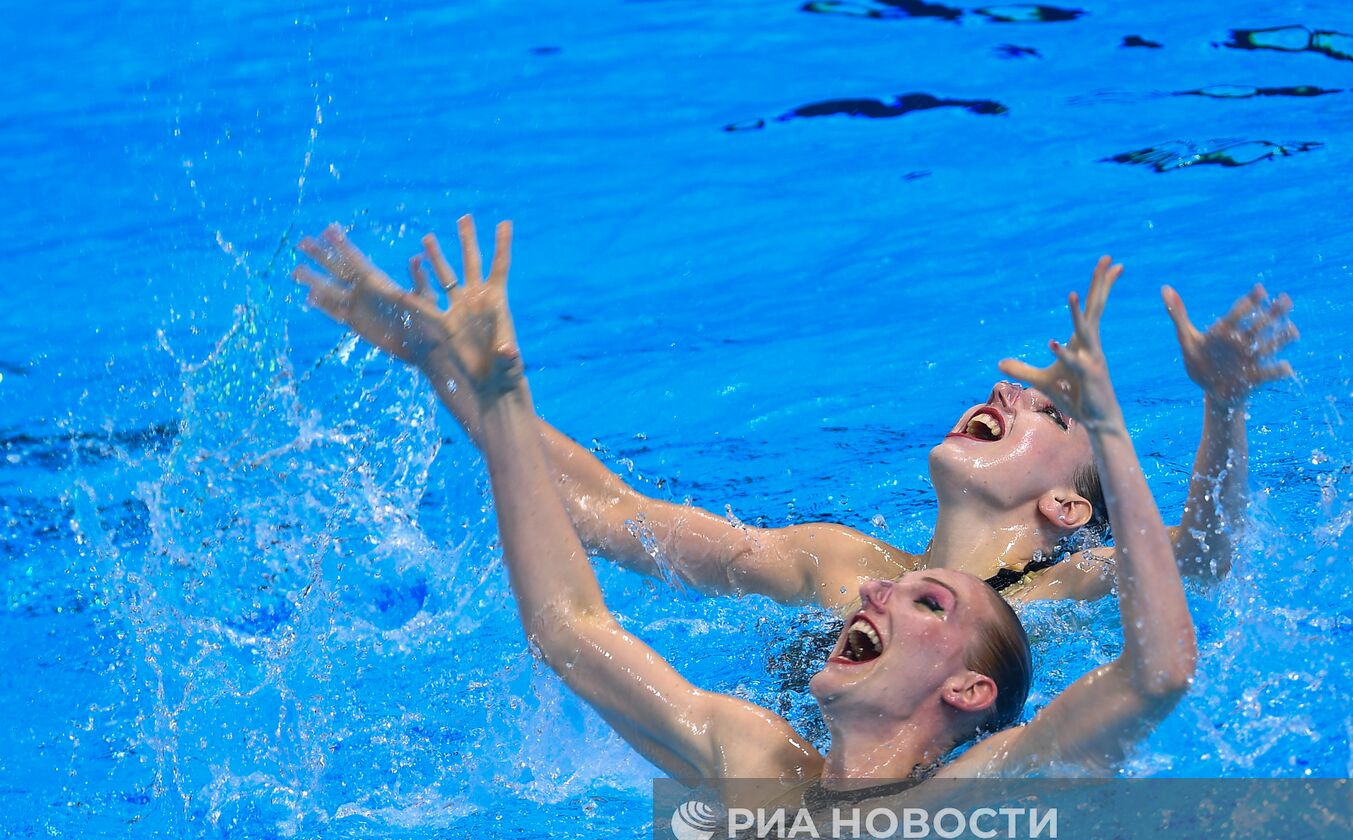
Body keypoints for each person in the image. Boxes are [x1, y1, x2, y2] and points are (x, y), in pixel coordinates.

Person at [300, 216, 1195, 811]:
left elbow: (1159, 664)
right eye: (899, 592)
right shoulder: (755, 750)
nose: (873, 597)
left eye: (926, 604)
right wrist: (482, 386)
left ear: (970, 692)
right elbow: (571, 623)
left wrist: (1137, 424)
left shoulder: (969, 791)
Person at [292, 223, 1296, 622]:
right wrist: (448, 370)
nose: (1006, 392)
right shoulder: (830, 561)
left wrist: (1224, 407)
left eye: (1050, 408)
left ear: (1073, 502)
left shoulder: (1069, 582)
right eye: (1011, 386)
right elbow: (605, 510)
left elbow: (1199, 559)